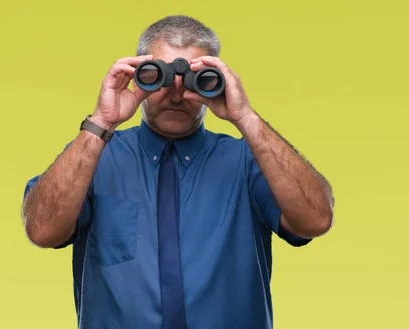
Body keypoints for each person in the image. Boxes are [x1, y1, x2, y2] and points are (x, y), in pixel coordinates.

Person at [21, 15, 334, 329]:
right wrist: (102, 122)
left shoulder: (247, 160)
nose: (175, 94)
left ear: (216, 80)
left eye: (197, 78)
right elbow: (43, 231)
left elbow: (315, 220)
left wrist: (246, 117)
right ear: (139, 74)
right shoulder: (94, 158)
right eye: (161, 77)